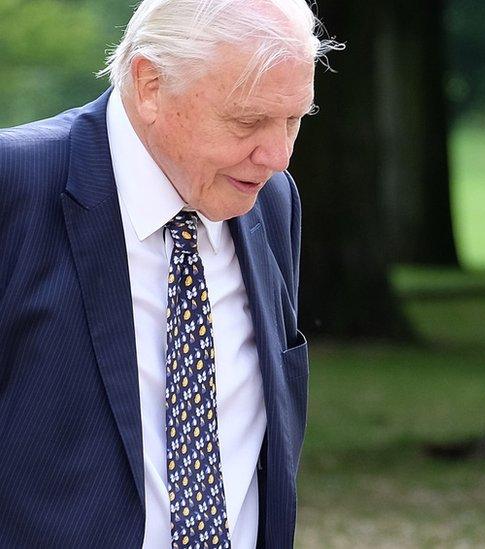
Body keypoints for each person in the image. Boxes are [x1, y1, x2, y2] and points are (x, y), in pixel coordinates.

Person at [0, 1, 338, 546]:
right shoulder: (16, 186)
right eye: (249, 120)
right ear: (150, 84)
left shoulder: (270, 201)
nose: (278, 156)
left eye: (294, 120)